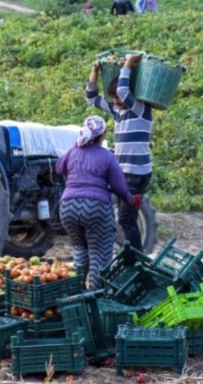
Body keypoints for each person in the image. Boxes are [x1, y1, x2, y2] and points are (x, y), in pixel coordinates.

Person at [56, 115, 142, 290]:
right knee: (99, 252)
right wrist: (132, 200)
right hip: (94, 208)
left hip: (67, 208)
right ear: (102, 135)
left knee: (80, 248)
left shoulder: (73, 152)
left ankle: (76, 291)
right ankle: (96, 296)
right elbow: (119, 187)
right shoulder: (107, 156)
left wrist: (75, 147)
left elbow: (59, 167)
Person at [86, 54, 153, 253]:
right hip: (125, 173)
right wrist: (95, 70)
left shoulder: (140, 109)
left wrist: (128, 63)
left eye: (118, 97)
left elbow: (123, 90)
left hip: (136, 173)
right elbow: (91, 98)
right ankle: (135, 256)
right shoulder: (118, 111)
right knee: (126, 218)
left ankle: (137, 258)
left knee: (126, 218)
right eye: (113, 97)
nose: (116, 100)